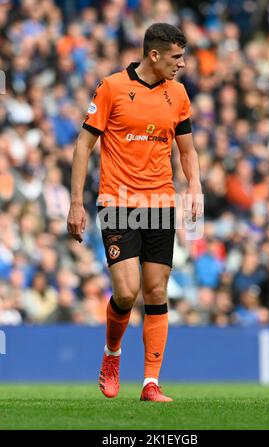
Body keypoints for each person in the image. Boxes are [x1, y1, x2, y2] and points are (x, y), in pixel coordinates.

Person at [67, 23, 202, 402]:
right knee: (126, 293)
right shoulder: (111, 87)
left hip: (160, 203)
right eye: (176, 57)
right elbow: (83, 146)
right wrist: (76, 202)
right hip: (117, 201)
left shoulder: (178, 94)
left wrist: (195, 186)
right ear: (154, 55)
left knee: (156, 290)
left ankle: (150, 383)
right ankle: (112, 354)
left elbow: (188, 150)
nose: (182, 64)